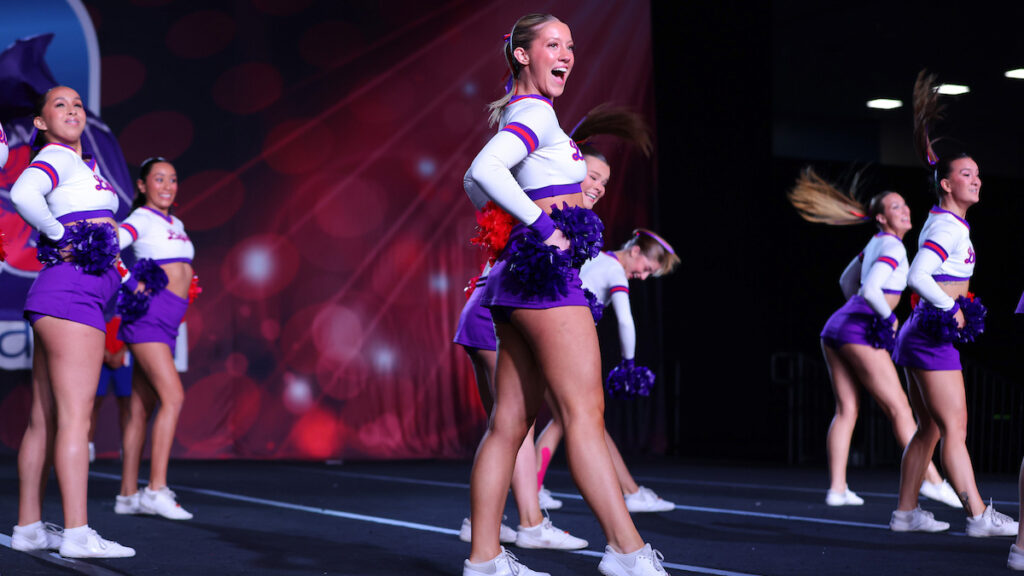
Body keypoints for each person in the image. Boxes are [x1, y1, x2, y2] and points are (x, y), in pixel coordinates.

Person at [462, 13, 670, 576]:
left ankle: (484, 560)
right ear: (522, 55)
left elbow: (472, 182)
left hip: (514, 282)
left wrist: (516, 229)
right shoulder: (535, 113)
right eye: (553, 44)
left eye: (571, 45)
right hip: (546, 283)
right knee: (584, 417)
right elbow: (483, 169)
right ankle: (627, 552)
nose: (568, 54)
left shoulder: (521, 112)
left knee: (509, 425)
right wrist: (544, 228)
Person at [453, 149, 620, 551]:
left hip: (499, 307)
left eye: (604, 182)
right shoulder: (541, 197)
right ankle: (524, 525)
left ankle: (499, 533)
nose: (596, 186)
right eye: (592, 175)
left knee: (513, 423)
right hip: (496, 311)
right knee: (514, 423)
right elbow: (478, 177)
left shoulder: (568, 212)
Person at [889, 71, 1016, 536]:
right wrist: (950, 308)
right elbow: (916, 275)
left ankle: (906, 513)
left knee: (931, 430)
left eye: (978, 174)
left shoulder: (947, 222)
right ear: (945, 184)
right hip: (929, 336)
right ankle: (979, 516)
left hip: (920, 334)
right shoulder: (946, 228)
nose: (977, 180)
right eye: (966, 174)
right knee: (954, 428)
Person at [9, 85, 134, 558]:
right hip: (71, 295)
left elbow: (106, 230)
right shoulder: (58, 157)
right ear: (40, 122)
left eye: (78, 103)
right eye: (59, 104)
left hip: (66, 295)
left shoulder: (87, 169)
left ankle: (29, 529)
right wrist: (61, 233)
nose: (72, 110)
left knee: (44, 419)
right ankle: (79, 535)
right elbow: (23, 192)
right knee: (75, 420)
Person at [787, 167, 961, 509]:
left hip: (836, 327)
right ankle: (933, 481)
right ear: (881, 218)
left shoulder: (875, 243)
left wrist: (859, 312)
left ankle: (837, 488)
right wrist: (888, 319)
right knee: (899, 408)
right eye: (896, 207)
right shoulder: (893, 247)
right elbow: (868, 289)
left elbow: (845, 282)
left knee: (847, 408)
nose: (905, 210)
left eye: (905, 205)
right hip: (858, 330)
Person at [535, 228, 679, 514]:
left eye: (651, 274)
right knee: (587, 419)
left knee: (569, 420)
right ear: (635, 250)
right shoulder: (614, 269)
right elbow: (626, 321)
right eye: (646, 268)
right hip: (566, 342)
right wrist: (629, 364)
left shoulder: (595, 258)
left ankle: (534, 487)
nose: (644, 276)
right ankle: (630, 492)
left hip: (550, 337)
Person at [113, 157, 195, 520]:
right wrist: (132, 284)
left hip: (168, 321)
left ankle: (127, 496)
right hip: (147, 316)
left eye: (173, 179)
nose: (167, 185)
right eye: (158, 179)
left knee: (139, 409)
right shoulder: (142, 219)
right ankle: (155, 490)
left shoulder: (175, 222)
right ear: (143, 185)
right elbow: (109, 245)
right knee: (173, 396)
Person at [89, 314, 132, 463]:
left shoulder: (130, 293)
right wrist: (104, 351)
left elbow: (135, 323)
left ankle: (127, 449)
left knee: (127, 406)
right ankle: (87, 448)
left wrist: (123, 350)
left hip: (125, 355)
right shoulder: (101, 293)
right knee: (92, 404)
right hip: (99, 354)